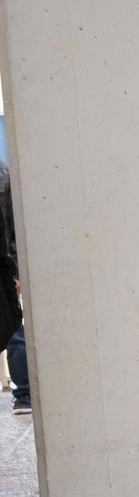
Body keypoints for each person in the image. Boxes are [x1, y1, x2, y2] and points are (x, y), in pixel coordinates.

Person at [1, 159, 24, 416]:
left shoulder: (4, 173)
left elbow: (11, 229)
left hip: (4, 266)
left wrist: (14, 272)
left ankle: (25, 391)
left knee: (14, 331)